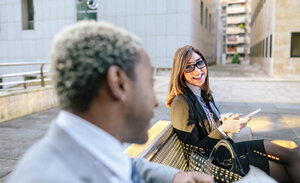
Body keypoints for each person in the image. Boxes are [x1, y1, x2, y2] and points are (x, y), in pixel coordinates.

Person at [6, 23, 213, 183]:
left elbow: (127, 164)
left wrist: (176, 177)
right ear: (118, 83)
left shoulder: (89, 148)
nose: (155, 101)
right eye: (148, 83)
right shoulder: (47, 177)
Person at [166, 45, 300, 182]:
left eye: (199, 63)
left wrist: (225, 120)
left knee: (291, 148)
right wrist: (223, 129)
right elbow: (194, 152)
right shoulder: (181, 103)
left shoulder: (203, 93)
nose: (198, 70)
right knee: (284, 168)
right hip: (220, 162)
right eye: (189, 67)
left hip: (227, 150)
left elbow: (208, 125)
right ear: (180, 72)